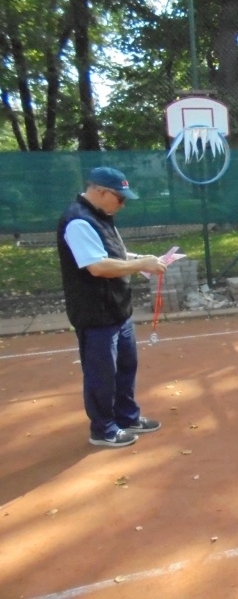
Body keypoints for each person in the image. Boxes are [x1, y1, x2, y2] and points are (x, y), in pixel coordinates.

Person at [57, 167, 167, 448]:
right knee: (101, 374)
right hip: (96, 313)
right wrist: (140, 264)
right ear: (100, 192)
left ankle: (127, 417)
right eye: (120, 198)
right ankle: (103, 429)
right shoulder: (78, 221)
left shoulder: (101, 217)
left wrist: (140, 258)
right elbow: (97, 266)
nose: (123, 204)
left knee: (126, 368)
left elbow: (111, 253)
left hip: (118, 309)